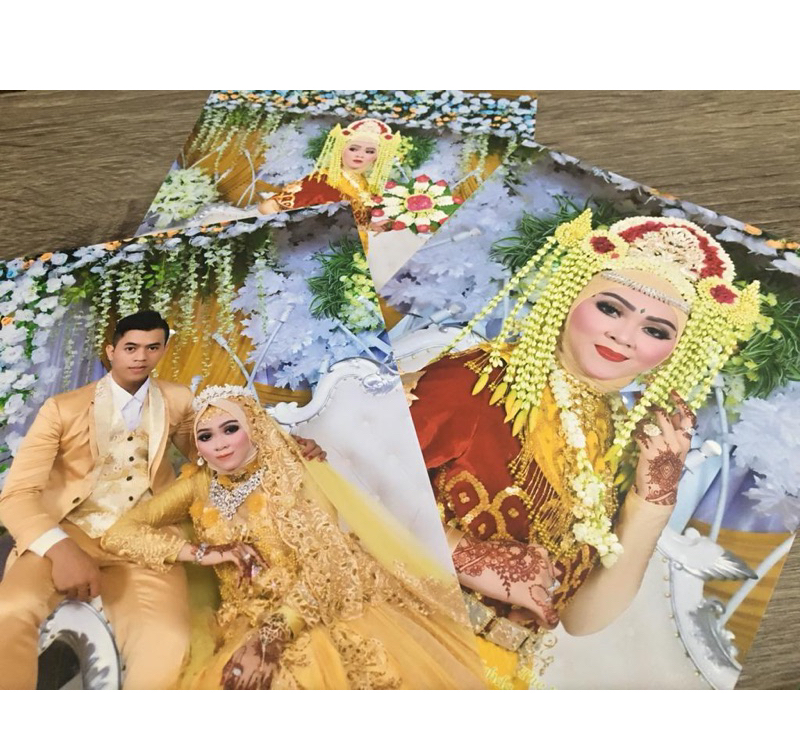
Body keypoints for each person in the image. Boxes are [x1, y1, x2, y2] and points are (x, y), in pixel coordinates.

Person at [408, 211, 761, 689]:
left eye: (656, 330)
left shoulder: (616, 441)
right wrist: (468, 556)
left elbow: (582, 618)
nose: (624, 336)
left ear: (676, 351)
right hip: (409, 633)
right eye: (611, 309)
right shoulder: (477, 382)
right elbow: (350, 477)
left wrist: (653, 502)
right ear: (570, 297)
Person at [101, 384, 487, 689]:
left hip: (319, 602)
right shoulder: (198, 485)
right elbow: (118, 533)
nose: (219, 444)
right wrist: (206, 553)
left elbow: (329, 562)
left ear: (254, 428)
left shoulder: (294, 468)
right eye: (206, 435)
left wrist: (274, 634)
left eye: (231, 429)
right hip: (246, 617)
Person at [0, 310, 194, 689]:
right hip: (70, 531)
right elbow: (17, 494)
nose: (141, 357)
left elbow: (217, 453)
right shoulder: (63, 408)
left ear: (163, 350)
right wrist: (60, 549)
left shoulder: (178, 399)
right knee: (11, 609)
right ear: (111, 351)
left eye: (152, 347)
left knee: (167, 643)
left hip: (145, 539)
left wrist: (285, 446)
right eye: (131, 348)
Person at [257, 118, 401, 229]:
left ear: (377, 157)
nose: (360, 155)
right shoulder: (323, 179)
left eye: (369, 151)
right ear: (341, 150)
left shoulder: (366, 186)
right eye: (353, 149)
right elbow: (269, 206)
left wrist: (374, 227)